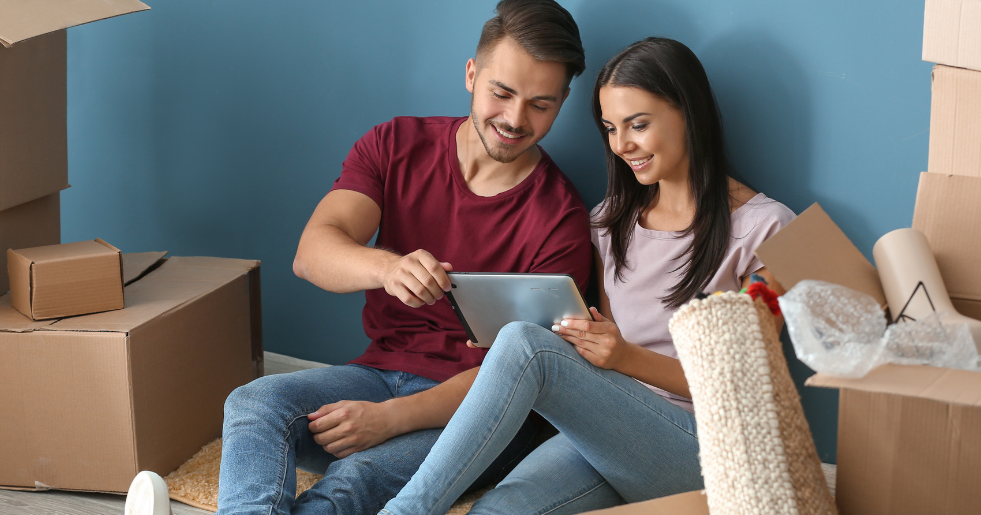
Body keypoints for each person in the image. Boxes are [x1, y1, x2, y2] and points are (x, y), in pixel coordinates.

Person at [123, 2, 592, 515]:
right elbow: (313, 252)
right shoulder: (395, 145)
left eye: (540, 105)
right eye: (501, 93)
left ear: (563, 101)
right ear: (471, 75)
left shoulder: (561, 220)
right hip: (375, 373)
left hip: (480, 417)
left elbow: (519, 378)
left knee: (355, 479)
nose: (514, 119)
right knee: (252, 403)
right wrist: (387, 268)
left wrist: (391, 417)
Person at [377, 37, 799, 515]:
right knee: (494, 511)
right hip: (611, 427)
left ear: (689, 112)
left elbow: (742, 383)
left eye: (638, 125)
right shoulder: (609, 222)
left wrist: (623, 357)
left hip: (711, 451)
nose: (622, 146)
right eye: (611, 129)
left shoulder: (771, 230)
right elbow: (596, 343)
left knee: (525, 344)